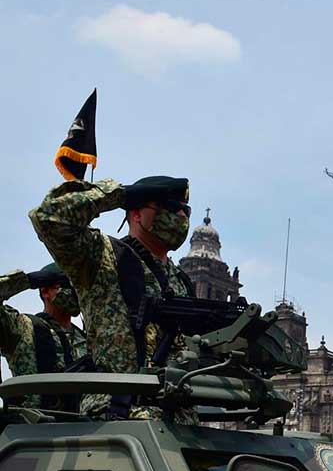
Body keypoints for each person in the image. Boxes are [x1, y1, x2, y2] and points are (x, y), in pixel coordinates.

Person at [28, 176, 195, 419]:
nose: (182, 216)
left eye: (186, 210)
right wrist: (120, 195)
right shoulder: (102, 255)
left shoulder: (180, 280)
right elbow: (48, 217)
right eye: (171, 207)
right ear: (137, 214)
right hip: (119, 412)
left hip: (179, 417)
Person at [0, 263, 86, 410]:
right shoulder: (22, 327)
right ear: (45, 291)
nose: (75, 292)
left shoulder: (88, 339)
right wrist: (27, 281)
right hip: (33, 428)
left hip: (87, 427)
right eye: (67, 285)